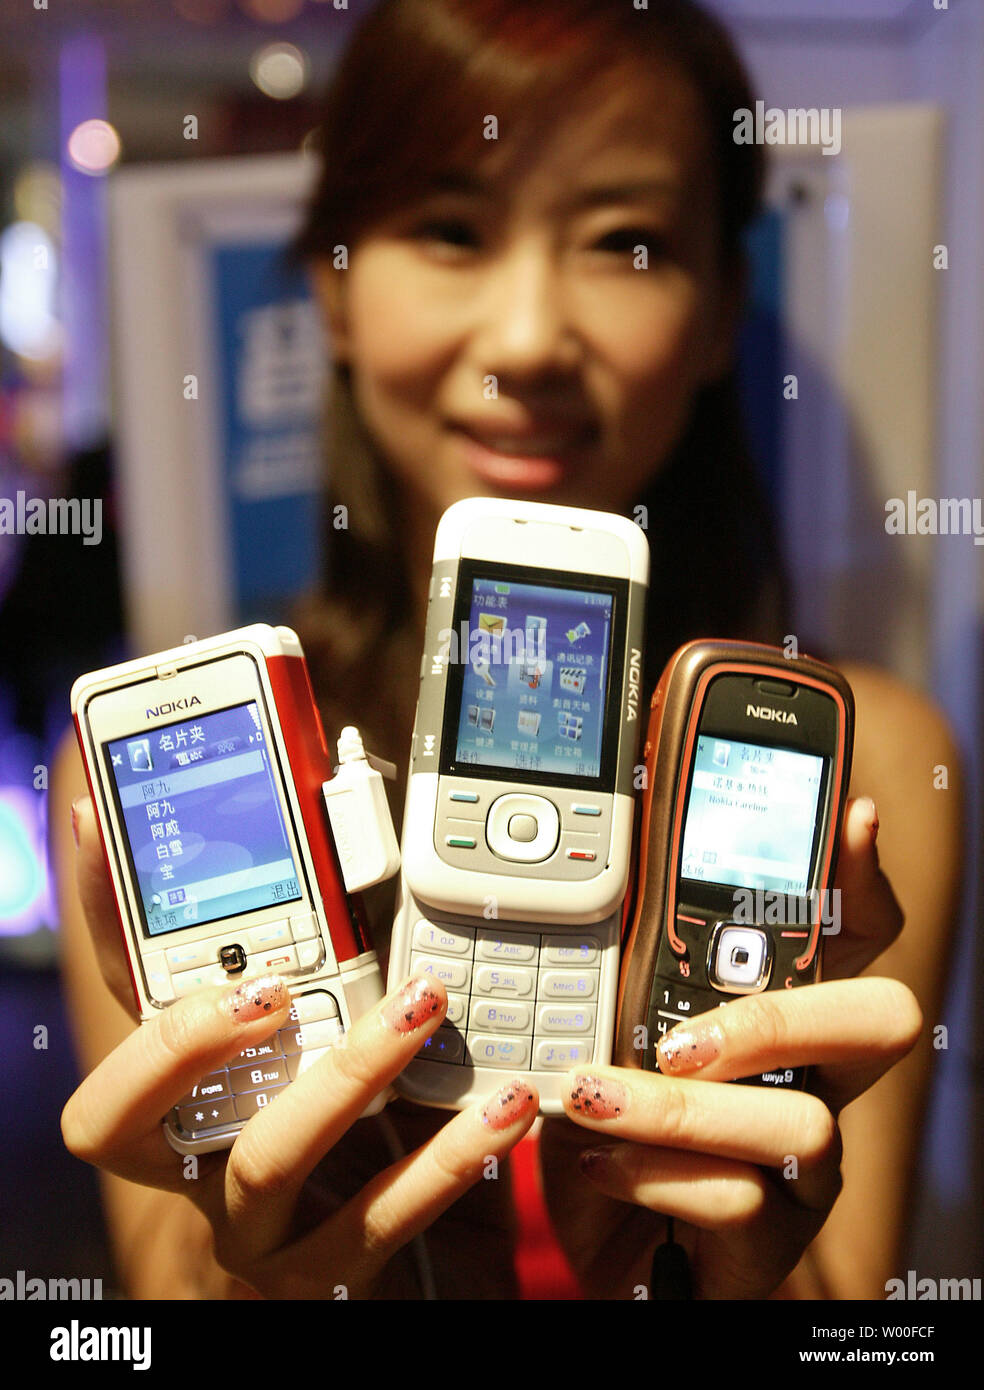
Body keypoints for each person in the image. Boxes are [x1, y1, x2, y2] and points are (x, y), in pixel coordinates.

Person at [53, 0, 962, 1300]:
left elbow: (856, 1301)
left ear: (720, 310)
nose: (531, 339)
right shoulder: (146, 784)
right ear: (336, 284)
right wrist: (248, 1277)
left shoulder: (868, 767)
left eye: (628, 242)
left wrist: (747, 1280)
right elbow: (156, 1293)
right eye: (450, 229)